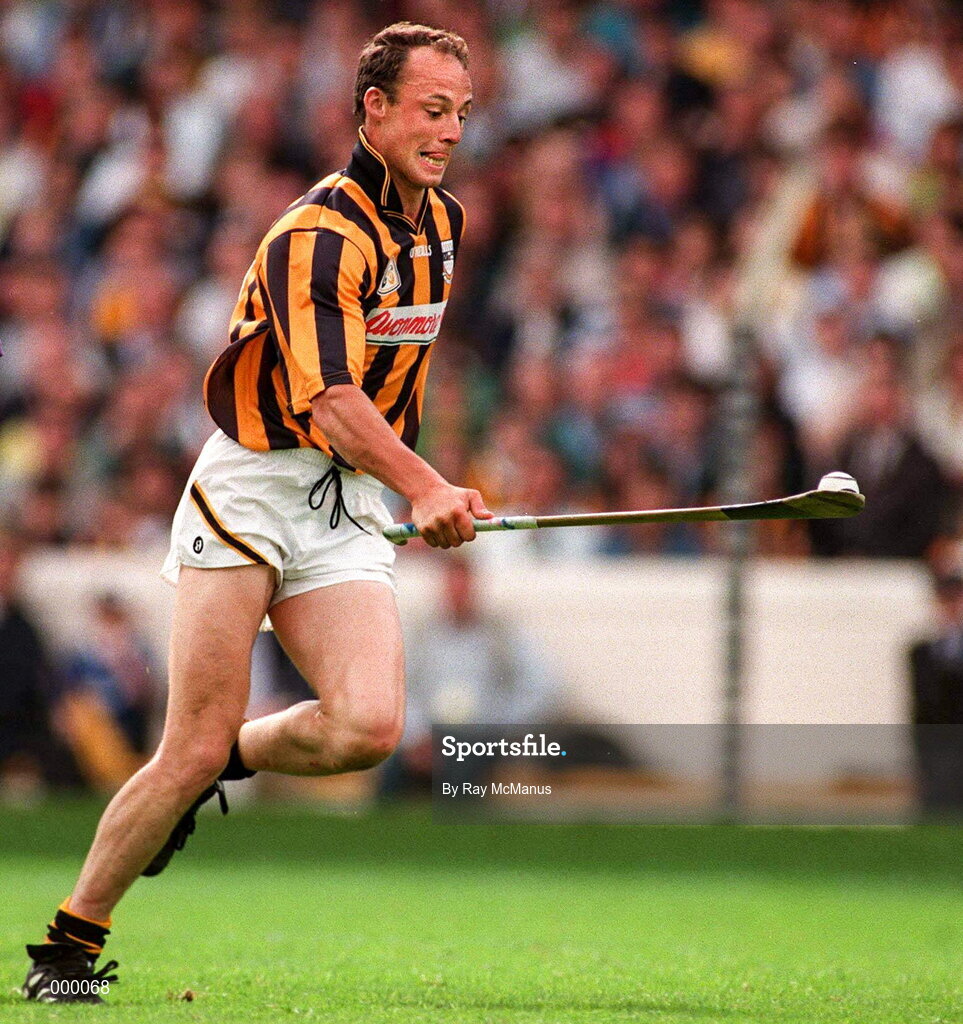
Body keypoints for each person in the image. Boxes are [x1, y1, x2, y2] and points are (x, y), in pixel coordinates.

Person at [23, 22, 489, 1004]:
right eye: (431, 109)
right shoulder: (318, 236)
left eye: (460, 113)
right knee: (185, 743)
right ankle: (66, 946)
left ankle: (223, 763)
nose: (450, 131)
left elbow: (393, 385)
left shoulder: (443, 225)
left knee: (368, 726)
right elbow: (330, 397)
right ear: (374, 109)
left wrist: (405, 484)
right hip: (253, 488)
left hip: (345, 496)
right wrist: (425, 485)